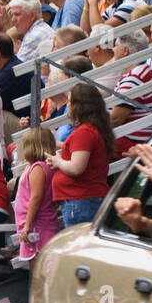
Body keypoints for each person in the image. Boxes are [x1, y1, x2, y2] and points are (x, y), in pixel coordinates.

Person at [49, 83, 116, 228]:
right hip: (84, 201)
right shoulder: (90, 130)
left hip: (81, 202)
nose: (67, 105)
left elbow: (76, 168)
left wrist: (58, 161)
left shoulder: (84, 132)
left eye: (69, 101)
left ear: (79, 106)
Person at [12, 127, 61, 269]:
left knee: (40, 272)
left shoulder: (38, 167)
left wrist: (27, 225)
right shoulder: (40, 166)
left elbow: (36, 197)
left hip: (37, 227)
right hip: (36, 226)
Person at [109, 28, 152, 153]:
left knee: (89, 138)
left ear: (125, 51)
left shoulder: (134, 77)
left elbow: (115, 119)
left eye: (115, 46)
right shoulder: (141, 71)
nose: (113, 50)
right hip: (136, 138)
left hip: (134, 142)